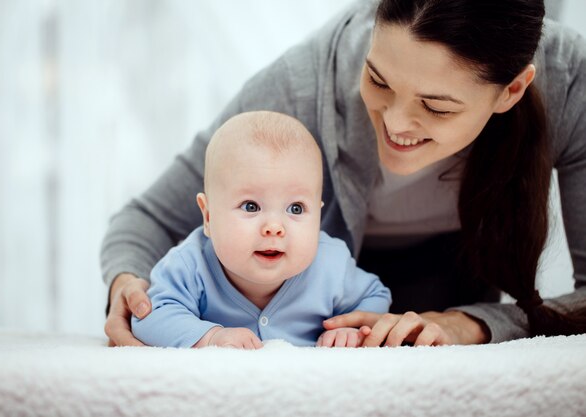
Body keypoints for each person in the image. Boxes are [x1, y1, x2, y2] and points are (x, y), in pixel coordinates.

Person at [102, 0, 586, 348]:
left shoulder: (571, 85)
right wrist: (131, 286)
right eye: (377, 80)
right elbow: (143, 221)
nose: (395, 125)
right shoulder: (300, 89)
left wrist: (474, 324)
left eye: (436, 107)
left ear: (513, 90)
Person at [130, 111, 391, 348]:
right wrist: (210, 336)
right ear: (208, 216)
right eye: (251, 206)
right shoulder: (190, 264)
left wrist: (350, 327)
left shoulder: (330, 263)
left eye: (296, 208)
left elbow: (376, 295)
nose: (274, 228)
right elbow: (151, 315)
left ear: (319, 214)